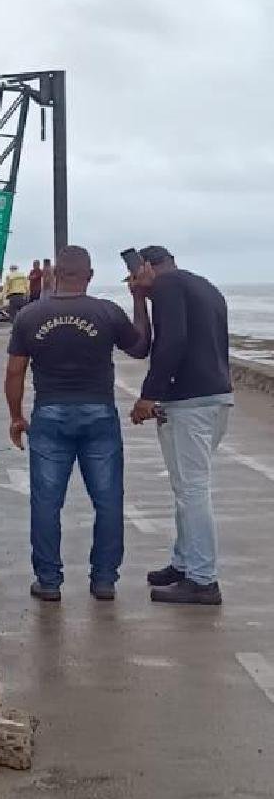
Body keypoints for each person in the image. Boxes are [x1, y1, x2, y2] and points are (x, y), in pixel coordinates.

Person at [5, 244, 150, 600]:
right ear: (89, 275)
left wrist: (16, 416)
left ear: (55, 274)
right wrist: (139, 299)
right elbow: (141, 347)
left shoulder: (30, 315)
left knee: (46, 502)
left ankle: (50, 582)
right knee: (108, 500)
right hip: (98, 412)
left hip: (50, 412)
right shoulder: (106, 312)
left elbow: (14, 372)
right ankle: (103, 581)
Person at [129, 247, 232, 605]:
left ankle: (203, 580)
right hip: (217, 397)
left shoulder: (168, 286)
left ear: (147, 267)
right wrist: (141, 297)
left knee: (192, 490)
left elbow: (170, 341)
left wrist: (149, 395)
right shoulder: (204, 286)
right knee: (185, 488)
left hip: (189, 402)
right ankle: (184, 562)